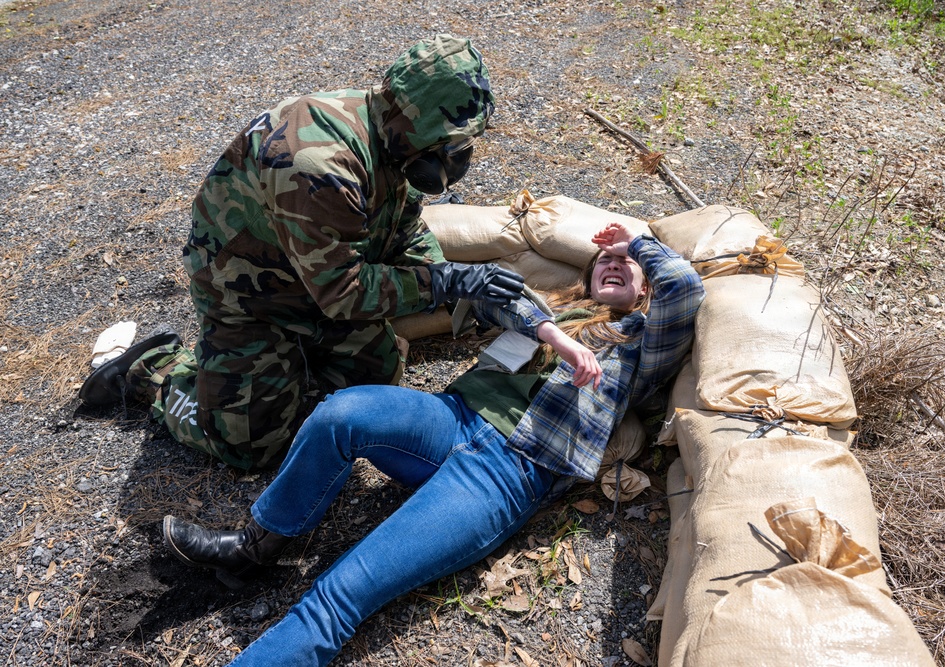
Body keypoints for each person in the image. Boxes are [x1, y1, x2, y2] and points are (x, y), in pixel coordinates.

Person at [161, 221, 705, 666]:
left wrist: (634, 244)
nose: (613, 264)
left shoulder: (640, 344)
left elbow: (684, 287)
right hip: (450, 418)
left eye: (626, 268)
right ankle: (259, 545)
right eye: (603, 262)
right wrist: (551, 331)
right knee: (340, 414)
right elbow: (494, 296)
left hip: (507, 471)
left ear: (644, 290)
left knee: (340, 594)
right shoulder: (553, 308)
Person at [77, 35, 523, 470]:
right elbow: (344, 293)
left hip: (315, 281)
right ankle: (154, 369)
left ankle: (278, 370)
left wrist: (451, 281)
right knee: (252, 447)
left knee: (376, 382)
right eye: (450, 144)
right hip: (251, 295)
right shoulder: (320, 163)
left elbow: (404, 232)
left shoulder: (392, 137)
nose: (457, 156)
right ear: (417, 121)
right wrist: (446, 282)